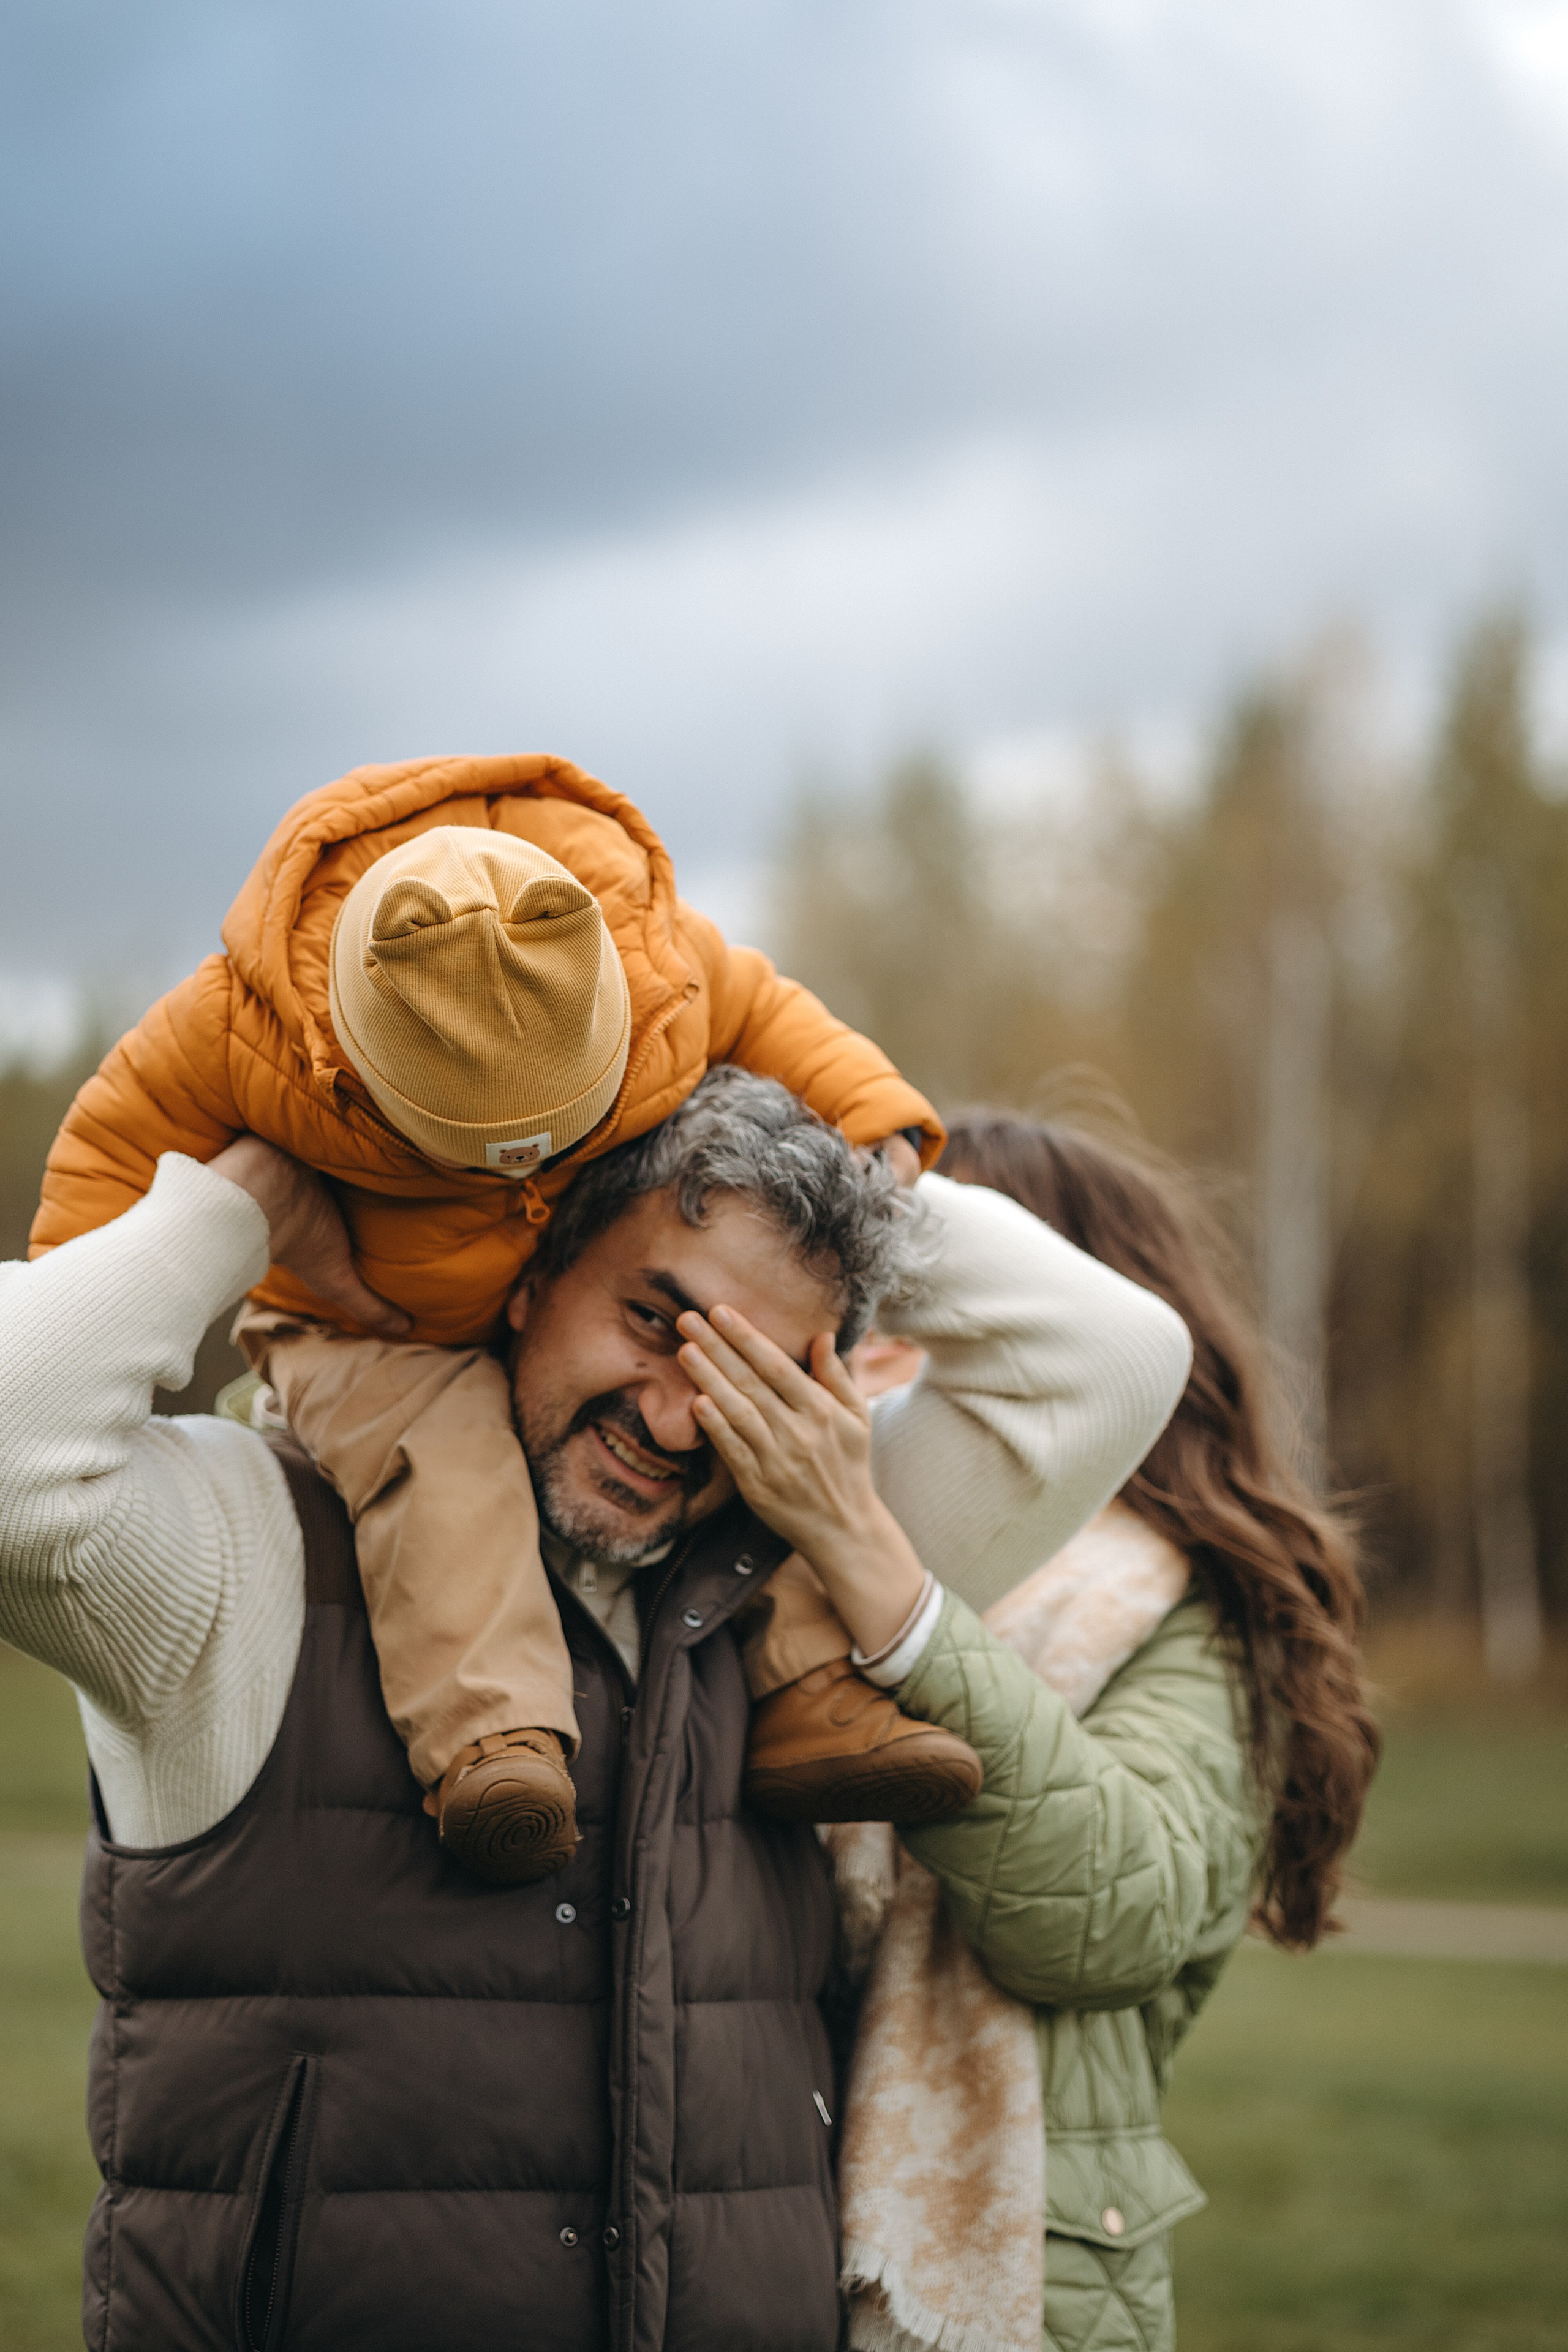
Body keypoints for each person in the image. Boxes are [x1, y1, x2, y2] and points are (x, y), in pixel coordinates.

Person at [0, 1071, 1192, 2351]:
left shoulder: (789, 1573)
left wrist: (850, 1162)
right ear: (531, 1269)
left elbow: (1115, 1355)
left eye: (751, 1367)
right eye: (654, 1318)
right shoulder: (252, 1546)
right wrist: (260, 1196)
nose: (675, 1417)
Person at [25, 750, 979, 1884]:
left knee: (782, 1430)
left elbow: (772, 1013)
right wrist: (244, 1211)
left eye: (554, 1137)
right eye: (652, 1318)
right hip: (360, 1322)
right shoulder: (245, 1031)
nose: (521, 1173)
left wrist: (874, 1142)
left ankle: (817, 1692)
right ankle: (495, 1739)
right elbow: (106, 1165)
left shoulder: (656, 967)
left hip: (531, 1287)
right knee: (449, 1471)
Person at [826, 1110, 1382, 2352]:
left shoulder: (1171, 1610)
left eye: (916, 1318)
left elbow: (1106, 1915)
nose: (865, 1346)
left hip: (1025, 2283)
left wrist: (904, 1619)